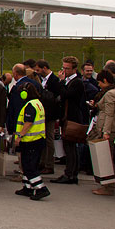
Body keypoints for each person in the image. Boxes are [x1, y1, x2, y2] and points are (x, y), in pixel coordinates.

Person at [51, 56, 87, 185]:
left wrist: (61, 82)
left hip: (72, 117)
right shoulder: (69, 81)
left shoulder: (76, 82)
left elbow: (66, 94)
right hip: (66, 116)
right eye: (63, 68)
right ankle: (70, 172)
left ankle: (71, 173)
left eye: (67, 68)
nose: (64, 71)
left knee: (70, 146)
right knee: (68, 146)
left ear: (74, 69)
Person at [12, 83, 51, 200]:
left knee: (29, 166)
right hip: (38, 139)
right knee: (28, 164)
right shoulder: (38, 103)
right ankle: (27, 187)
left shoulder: (30, 105)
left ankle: (41, 188)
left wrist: (19, 136)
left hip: (30, 141)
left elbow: (28, 123)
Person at [89, 69, 115, 195]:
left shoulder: (110, 94)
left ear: (105, 81)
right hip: (107, 126)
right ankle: (106, 185)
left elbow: (109, 113)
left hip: (108, 128)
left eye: (100, 82)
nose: (98, 85)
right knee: (106, 157)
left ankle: (108, 187)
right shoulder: (112, 92)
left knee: (106, 158)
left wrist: (106, 131)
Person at [34, 59, 63, 175]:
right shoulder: (42, 79)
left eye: (38, 69)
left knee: (49, 139)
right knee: (42, 139)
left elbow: (56, 98)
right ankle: (42, 162)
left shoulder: (54, 81)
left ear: (45, 68)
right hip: (43, 114)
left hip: (50, 115)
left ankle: (49, 164)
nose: (37, 72)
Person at [6, 64, 43, 135]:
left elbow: (14, 108)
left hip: (20, 124)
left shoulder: (17, 88)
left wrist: (11, 127)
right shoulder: (36, 84)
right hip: (37, 126)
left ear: (15, 74)